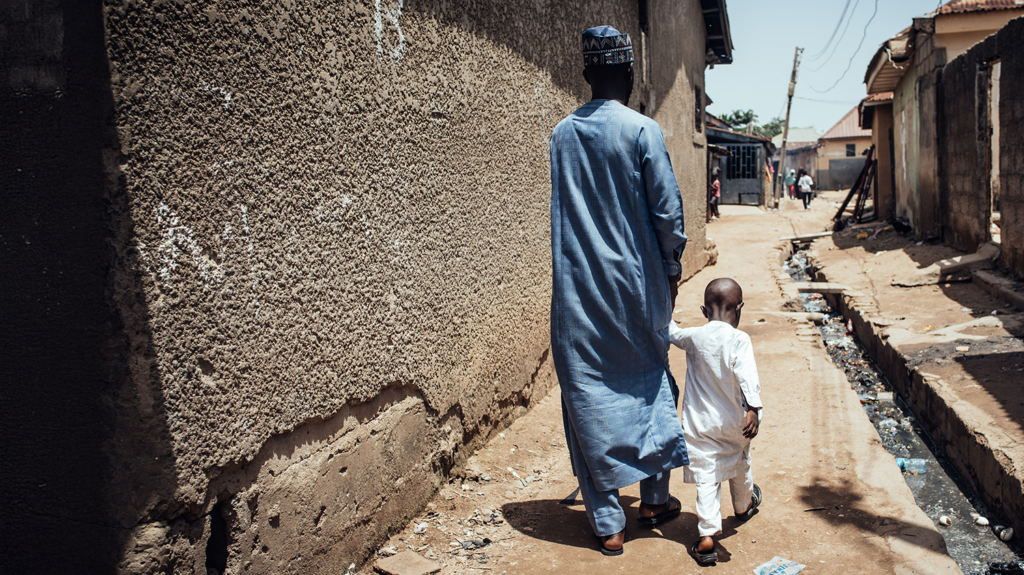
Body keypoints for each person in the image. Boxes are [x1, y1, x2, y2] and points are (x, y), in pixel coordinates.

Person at [550, 25, 689, 556]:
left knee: (585, 393)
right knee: (650, 383)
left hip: (576, 296)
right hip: (636, 287)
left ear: (586, 75)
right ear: (629, 75)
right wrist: (671, 270)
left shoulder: (562, 135)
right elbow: (667, 215)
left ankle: (608, 522)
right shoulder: (642, 131)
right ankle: (654, 500)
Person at [667, 278, 763, 565]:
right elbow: (749, 377)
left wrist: (668, 297)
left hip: (700, 427)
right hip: (736, 422)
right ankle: (744, 505)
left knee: (707, 476)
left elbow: (670, 331)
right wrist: (754, 410)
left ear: (703, 310)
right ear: (740, 309)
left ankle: (707, 537)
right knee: (740, 459)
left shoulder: (693, 336)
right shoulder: (739, 339)